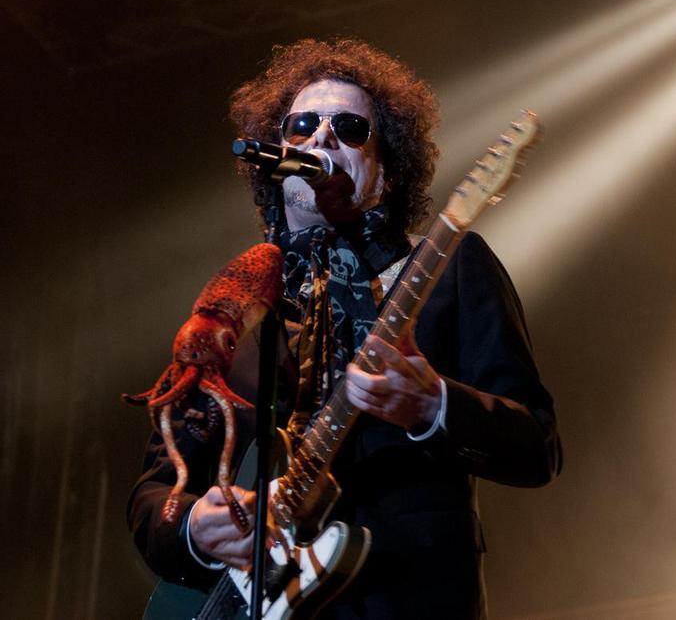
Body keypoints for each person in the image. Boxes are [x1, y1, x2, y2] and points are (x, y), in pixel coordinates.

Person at [127, 38, 562, 619]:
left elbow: (537, 446)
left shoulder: (448, 271)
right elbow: (156, 488)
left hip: (406, 600)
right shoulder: (236, 307)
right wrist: (193, 534)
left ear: (386, 169)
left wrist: (432, 405)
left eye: (350, 128)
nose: (320, 139)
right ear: (276, 155)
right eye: (301, 125)